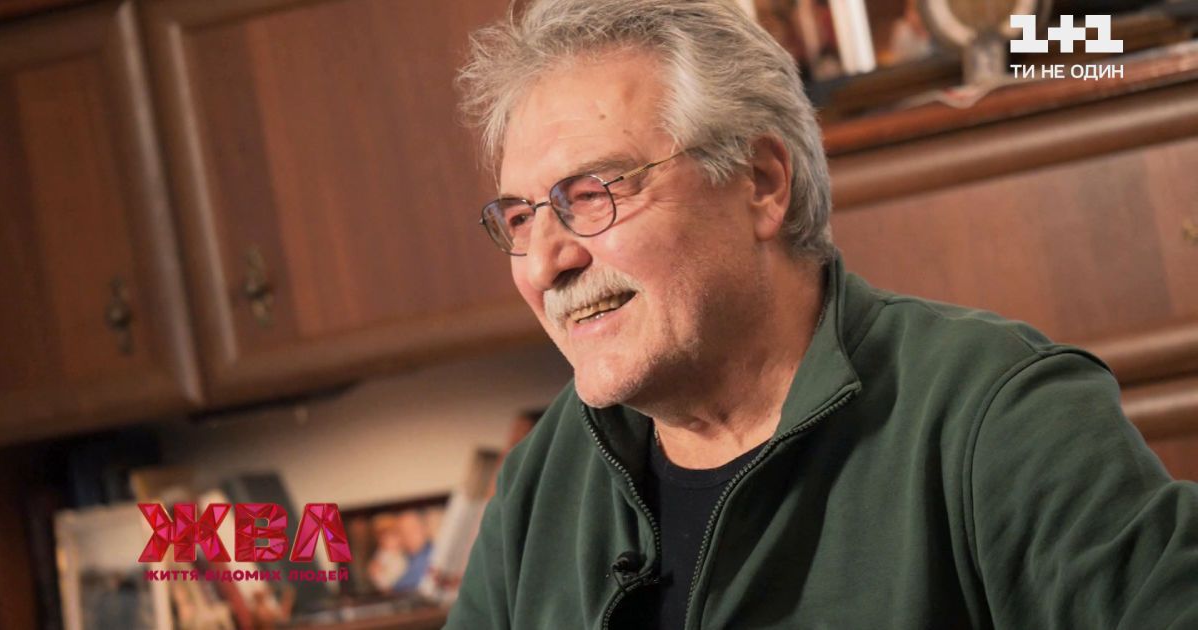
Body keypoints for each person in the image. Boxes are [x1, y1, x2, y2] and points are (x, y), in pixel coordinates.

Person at [446, 0, 1198, 627]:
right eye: (520, 218)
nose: (544, 264)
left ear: (763, 183)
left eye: (591, 194)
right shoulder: (541, 481)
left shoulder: (998, 415)